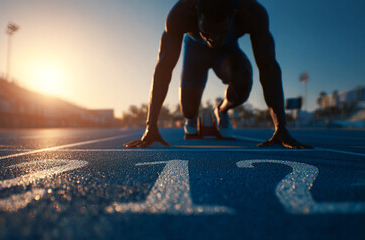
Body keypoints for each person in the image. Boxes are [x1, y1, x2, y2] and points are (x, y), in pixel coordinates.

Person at [125, 0, 312, 149]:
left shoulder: (252, 13)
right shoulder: (181, 13)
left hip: (227, 53)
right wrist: (151, 125)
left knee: (243, 78)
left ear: (234, 14)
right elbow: (164, 68)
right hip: (194, 55)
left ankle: (221, 111)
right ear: (196, 12)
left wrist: (281, 127)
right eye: (207, 32)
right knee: (188, 110)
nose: (213, 39)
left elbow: (269, 67)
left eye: (221, 32)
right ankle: (191, 116)